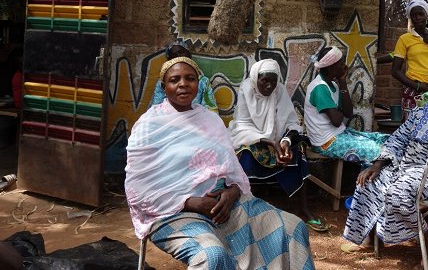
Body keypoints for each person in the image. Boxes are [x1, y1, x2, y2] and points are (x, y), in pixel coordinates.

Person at [125, 56, 314, 270]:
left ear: (199, 83)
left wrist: (233, 191)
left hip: (224, 205)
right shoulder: (149, 126)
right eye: (174, 80)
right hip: (170, 210)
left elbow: (231, 167)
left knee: (293, 227)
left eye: (190, 78)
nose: (183, 84)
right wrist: (189, 202)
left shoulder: (211, 120)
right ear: (163, 86)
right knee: (212, 255)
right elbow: (137, 189)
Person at [342, 55, 428, 269]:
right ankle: (370, 233)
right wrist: (378, 164)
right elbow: (400, 136)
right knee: (368, 180)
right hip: (408, 168)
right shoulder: (422, 107)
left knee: (398, 194)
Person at [229, 58, 328, 232]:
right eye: (264, 80)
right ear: (255, 79)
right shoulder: (247, 89)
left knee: (298, 151)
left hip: (276, 138)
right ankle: (246, 210)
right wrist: (267, 141)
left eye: (273, 81)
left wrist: (285, 142)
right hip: (251, 138)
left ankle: (304, 209)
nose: (269, 85)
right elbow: (242, 125)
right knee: (245, 155)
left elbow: (291, 121)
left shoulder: (279, 91)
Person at [304, 46, 388, 166]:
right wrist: (338, 110)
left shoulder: (332, 84)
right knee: (377, 151)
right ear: (331, 67)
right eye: (341, 63)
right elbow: (337, 121)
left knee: (384, 140)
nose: (344, 66)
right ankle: (368, 182)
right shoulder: (320, 88)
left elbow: (348, 113)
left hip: (339, 134)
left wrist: (342, 82)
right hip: (326, 142)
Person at [391, 0, 428, 122]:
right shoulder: (405, 39)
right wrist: (418, 86)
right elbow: (395, 71)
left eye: (420, 14)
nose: (417, 17)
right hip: (413, 89)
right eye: (413, 15)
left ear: (426, 15)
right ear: (410, 18)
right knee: (411, 127)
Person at [150, 40, 217, 113]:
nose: (178, 56)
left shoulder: (203, 81)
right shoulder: (162, 82)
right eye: (174, 54)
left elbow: (210, 108)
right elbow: (157, 106)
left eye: (181, 52)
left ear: (189, 55)